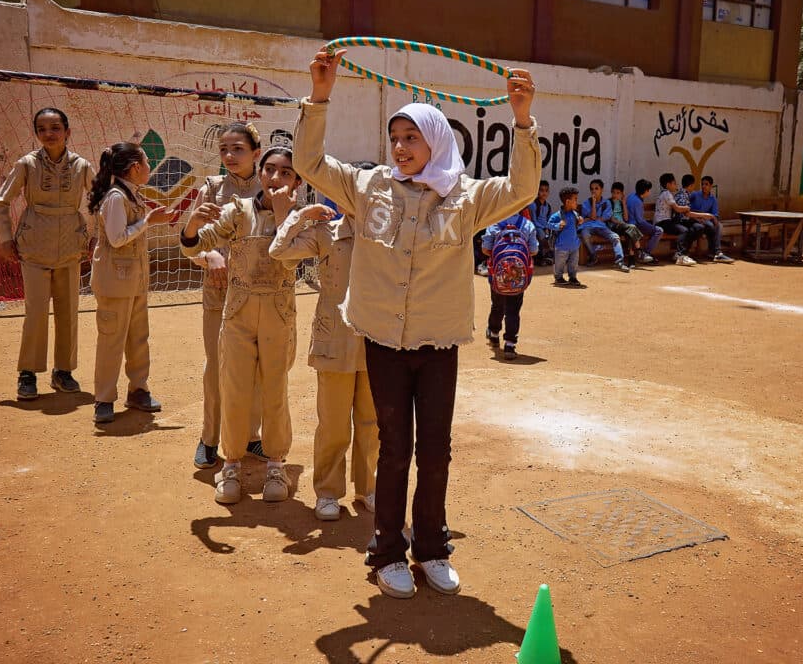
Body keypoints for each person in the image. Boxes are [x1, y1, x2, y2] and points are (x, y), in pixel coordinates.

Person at [295, 47, 539, 599]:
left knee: (435, 450)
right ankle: (387, 552)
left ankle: (431, 548)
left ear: (437, 141)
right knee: (394, 448)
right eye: (395, 138)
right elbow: (311, 165)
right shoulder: (367, 187)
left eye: (412, 138)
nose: (401, 148)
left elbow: (521, 189)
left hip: (437, 343)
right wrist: (320, 96)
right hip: (383, 342)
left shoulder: (467, 197)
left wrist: (522, 120)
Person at [180, 146, 303, 504]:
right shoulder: (237, 211)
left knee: (275, 389)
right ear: (260, 174)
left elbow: (293, 259)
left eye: (286, 172)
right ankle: (231, 465)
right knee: (233, 388)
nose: (276, 178)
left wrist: (283, 216)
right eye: (270, 170)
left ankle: (276, 465)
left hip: (279, 314)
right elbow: (196, 246)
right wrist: (192, 225)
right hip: (238, 313)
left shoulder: (301, 218)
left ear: (298, 181)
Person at [269, 189, 379, 521]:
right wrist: (301, 216)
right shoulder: (325, 233)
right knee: (333, 423)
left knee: (372, 422)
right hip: (335, 340)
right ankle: (328, 492)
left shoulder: (385, 235)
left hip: (377, 339)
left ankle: (369, 488)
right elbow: (279, 251)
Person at [0, 108, 94, 401]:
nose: (49, 134)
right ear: (37, 133)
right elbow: (1, 201)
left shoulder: (82, 166)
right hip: (34, 244)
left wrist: (96, 235)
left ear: (67, 132)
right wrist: (5, 238)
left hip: (70, 245)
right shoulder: (27, 164)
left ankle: (63, 371)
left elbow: (99, 199)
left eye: (55, 127)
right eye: (42, 129)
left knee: (68, 311)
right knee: (36, 312)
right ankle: (28, 373)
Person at [185, 122, 267, 470]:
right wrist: (209, 256)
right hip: (219, 291)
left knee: (258, 366)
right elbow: (191, 242)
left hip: (261, 293)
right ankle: (209, 438)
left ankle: (250, 435)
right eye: (224, 150)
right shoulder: (212, 189)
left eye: (238, 149)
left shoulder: (270, 187)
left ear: (256, 153)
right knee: (217, 365)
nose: (230, 156)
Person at [88, 142, 172, 423]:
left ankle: (138, 389)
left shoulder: (131, 193)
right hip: (114, 282)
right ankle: (104, 398)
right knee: (112, 340)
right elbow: (117, 238)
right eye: (147, 162)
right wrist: (148, 221)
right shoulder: (116, 197)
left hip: (134, 280)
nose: (149, 167)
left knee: (138, 338)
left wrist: (150, 220)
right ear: (135, 168)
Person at [482, 210, 539, 360]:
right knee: (513, 310)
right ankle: (510, 344)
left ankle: (494, 333)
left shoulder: (494, 223)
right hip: (518, 277)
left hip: (498, 275)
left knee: (497, 305)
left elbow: (485, 249)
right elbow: (533, 251)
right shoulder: (527, 225)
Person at [579, 179, 629, 272]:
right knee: (585, 235)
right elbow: (594, 217)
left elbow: (604, 218)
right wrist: (593, 203)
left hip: (601, 227)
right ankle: (593, 256)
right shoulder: (586, 203)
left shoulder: (607, 203)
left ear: (601, 190)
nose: (594, 191)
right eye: (592, 189)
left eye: (596, 188)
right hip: (587, 227)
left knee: (615, 237)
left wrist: (591, 218)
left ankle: (620, 262)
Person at [653, 172, 701, 265]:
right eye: (674, 183)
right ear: (668, 185)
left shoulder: (665, 193)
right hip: (662, 222)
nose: (676, 185)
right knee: (683, 230)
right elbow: (677, 209)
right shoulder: (667, 194)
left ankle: (679, 254)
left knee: (685, 229)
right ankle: (680, 255)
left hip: (665, 221)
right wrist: (686, 208)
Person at [689, 175, 734, 263]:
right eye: (702, 184)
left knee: (718, 225)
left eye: (706, 184)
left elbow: (715, 214)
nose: (703, 186)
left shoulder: (713, 199)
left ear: (711, 186)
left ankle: (716, 252)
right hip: (694, 220)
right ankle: (716, 252)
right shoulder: (695, 195)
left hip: (705, 221)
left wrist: (715, 219)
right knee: (710, 225)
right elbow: (686, 207)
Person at [549, 186, 584, 287]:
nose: (577, 202)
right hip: (561, 246)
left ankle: (573, 277)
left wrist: (580, 221)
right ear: (568, 202)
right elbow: (549, 224)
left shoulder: (575, 214)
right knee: (559, 263)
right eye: (575, 199)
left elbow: (577, 225)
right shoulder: (557, 215)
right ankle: (558, 277)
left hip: (574, 245)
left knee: (574, 263)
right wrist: (557, 225)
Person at [607, 182, 645, 265]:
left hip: (623, 227)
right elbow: (611, 218)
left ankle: (631, 259)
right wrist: (621, 223)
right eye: (613, 192)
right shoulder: (608, 202)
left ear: (622, 194)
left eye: (618, 193)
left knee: (629, 232)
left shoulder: (621, 203)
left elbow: (626, 218)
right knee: (631, 227)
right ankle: (640, 251)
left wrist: (624, 203)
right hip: (613, 227)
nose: (615, 195)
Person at [625, 179, 662, 264]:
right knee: (659, 230)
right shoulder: (637, 201)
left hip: (630, 224)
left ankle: (644, 253)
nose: (649, 192)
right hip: (635, 226)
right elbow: (640, 221)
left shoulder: (631, 196)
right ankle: (646, 253)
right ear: (645, 191)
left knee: (654, 228)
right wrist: (651, 226)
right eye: (648, 190)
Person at [529, 180, 554, 266]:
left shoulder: (548, 206)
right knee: (540, 233)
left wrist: (549, 227)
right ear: (537, 191)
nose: (544, 193)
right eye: (541, 190)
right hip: (535, 227)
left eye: (546, 190)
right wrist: (543, 228)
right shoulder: (533, 205)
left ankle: (549, 254)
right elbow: (533, 221)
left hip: (545, 227)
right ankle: (541, 257)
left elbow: (549, 220)